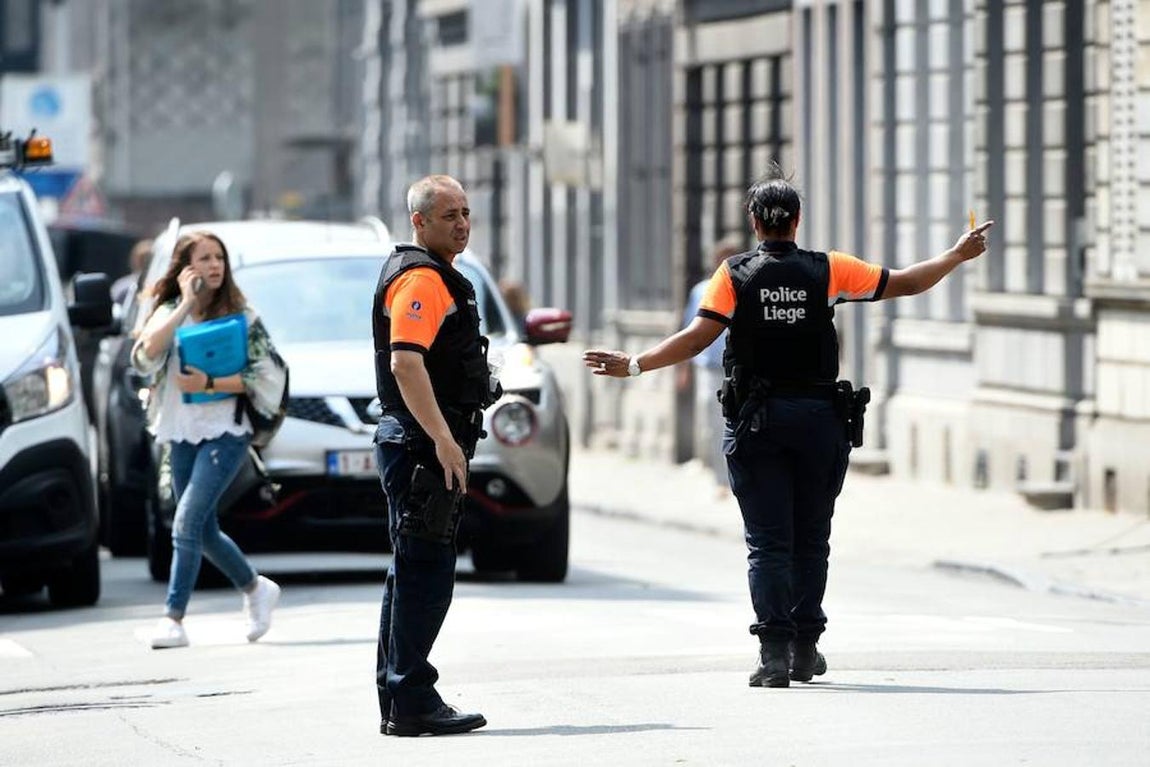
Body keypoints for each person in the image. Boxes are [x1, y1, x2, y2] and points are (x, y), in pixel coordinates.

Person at [584, 168, 993, 688]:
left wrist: (635, 364)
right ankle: (805, 649)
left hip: (758, 425)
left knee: (768, 542)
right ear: (797, 221)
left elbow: (695, 339)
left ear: (754, 222)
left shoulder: (733, 275)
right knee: (811, 539)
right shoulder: (830, 270)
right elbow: (907, 282)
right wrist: (957, 254)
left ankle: (773, 656)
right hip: (820, 423)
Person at [372, 175, 500, 736]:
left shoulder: (441, 276)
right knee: (426, 574)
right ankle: (413, 699)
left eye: (467, 213)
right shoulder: (421, 277)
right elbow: (406, 361)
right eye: (450, 214)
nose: (463, 223)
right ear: (419, 221)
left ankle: (400, 696)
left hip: (425, 444)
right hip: (425, 447)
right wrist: (445, 439)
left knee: (411, 570)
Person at [131, 231, 282, 650]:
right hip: (180, 428)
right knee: (204, 528)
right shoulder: (166, 311)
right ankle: (255, 589)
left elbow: (268, 375)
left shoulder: (242, 316)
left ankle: (173, 618)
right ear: (185, 267)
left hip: (227, 430)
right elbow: (143, 356)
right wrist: (184, 306)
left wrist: (211, 381)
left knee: (186, 521)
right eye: (205, 258)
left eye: (220, 258)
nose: (215, 265)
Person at [677, 238, 742, 493]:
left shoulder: (743, 288)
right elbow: (687, 332)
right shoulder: (702, 290)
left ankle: (737, 476)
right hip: (708, 368)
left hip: (737, 369)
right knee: (712, 423)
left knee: (736, 423)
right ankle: (720, 479)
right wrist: (683, 369)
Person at [110, 237, 154, 307]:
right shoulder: (124, 288)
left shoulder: (156, 286)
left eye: (148, 259)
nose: (145, 263)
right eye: (142, 259)